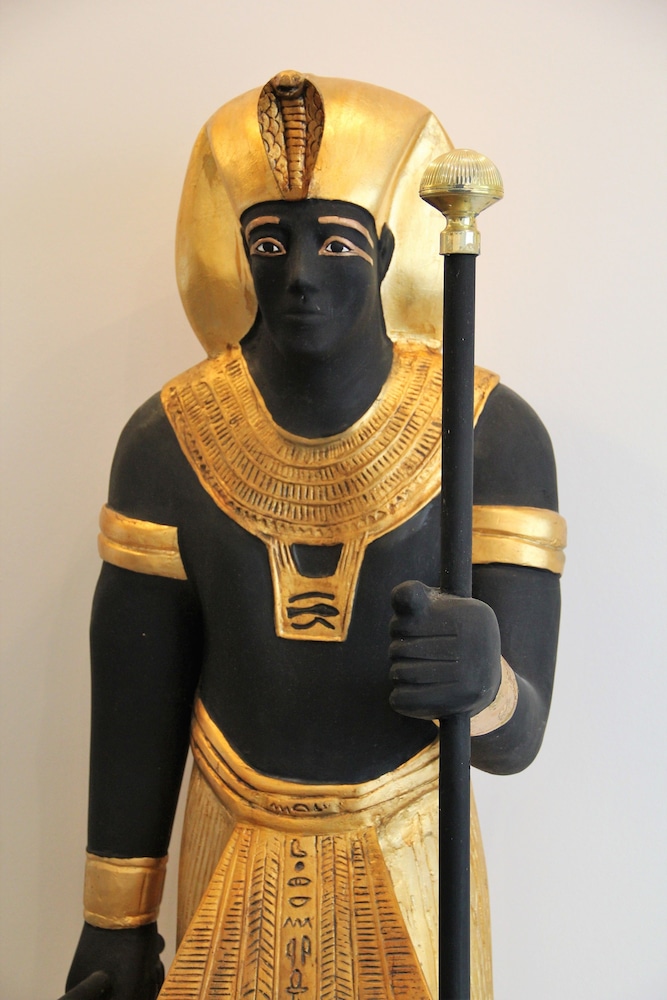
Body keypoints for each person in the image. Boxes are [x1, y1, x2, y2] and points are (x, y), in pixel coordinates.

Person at [65, 71, 565, 1000]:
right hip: (231, 831)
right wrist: (114, 923)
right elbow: (136, 703)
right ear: (235, 254)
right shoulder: (166, 441)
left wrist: (484, 683)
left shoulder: (491, 434)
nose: (298, 274)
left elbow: (515, 737)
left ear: (387, 251)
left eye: (335, 241)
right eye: (269, 241)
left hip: (410, 837)